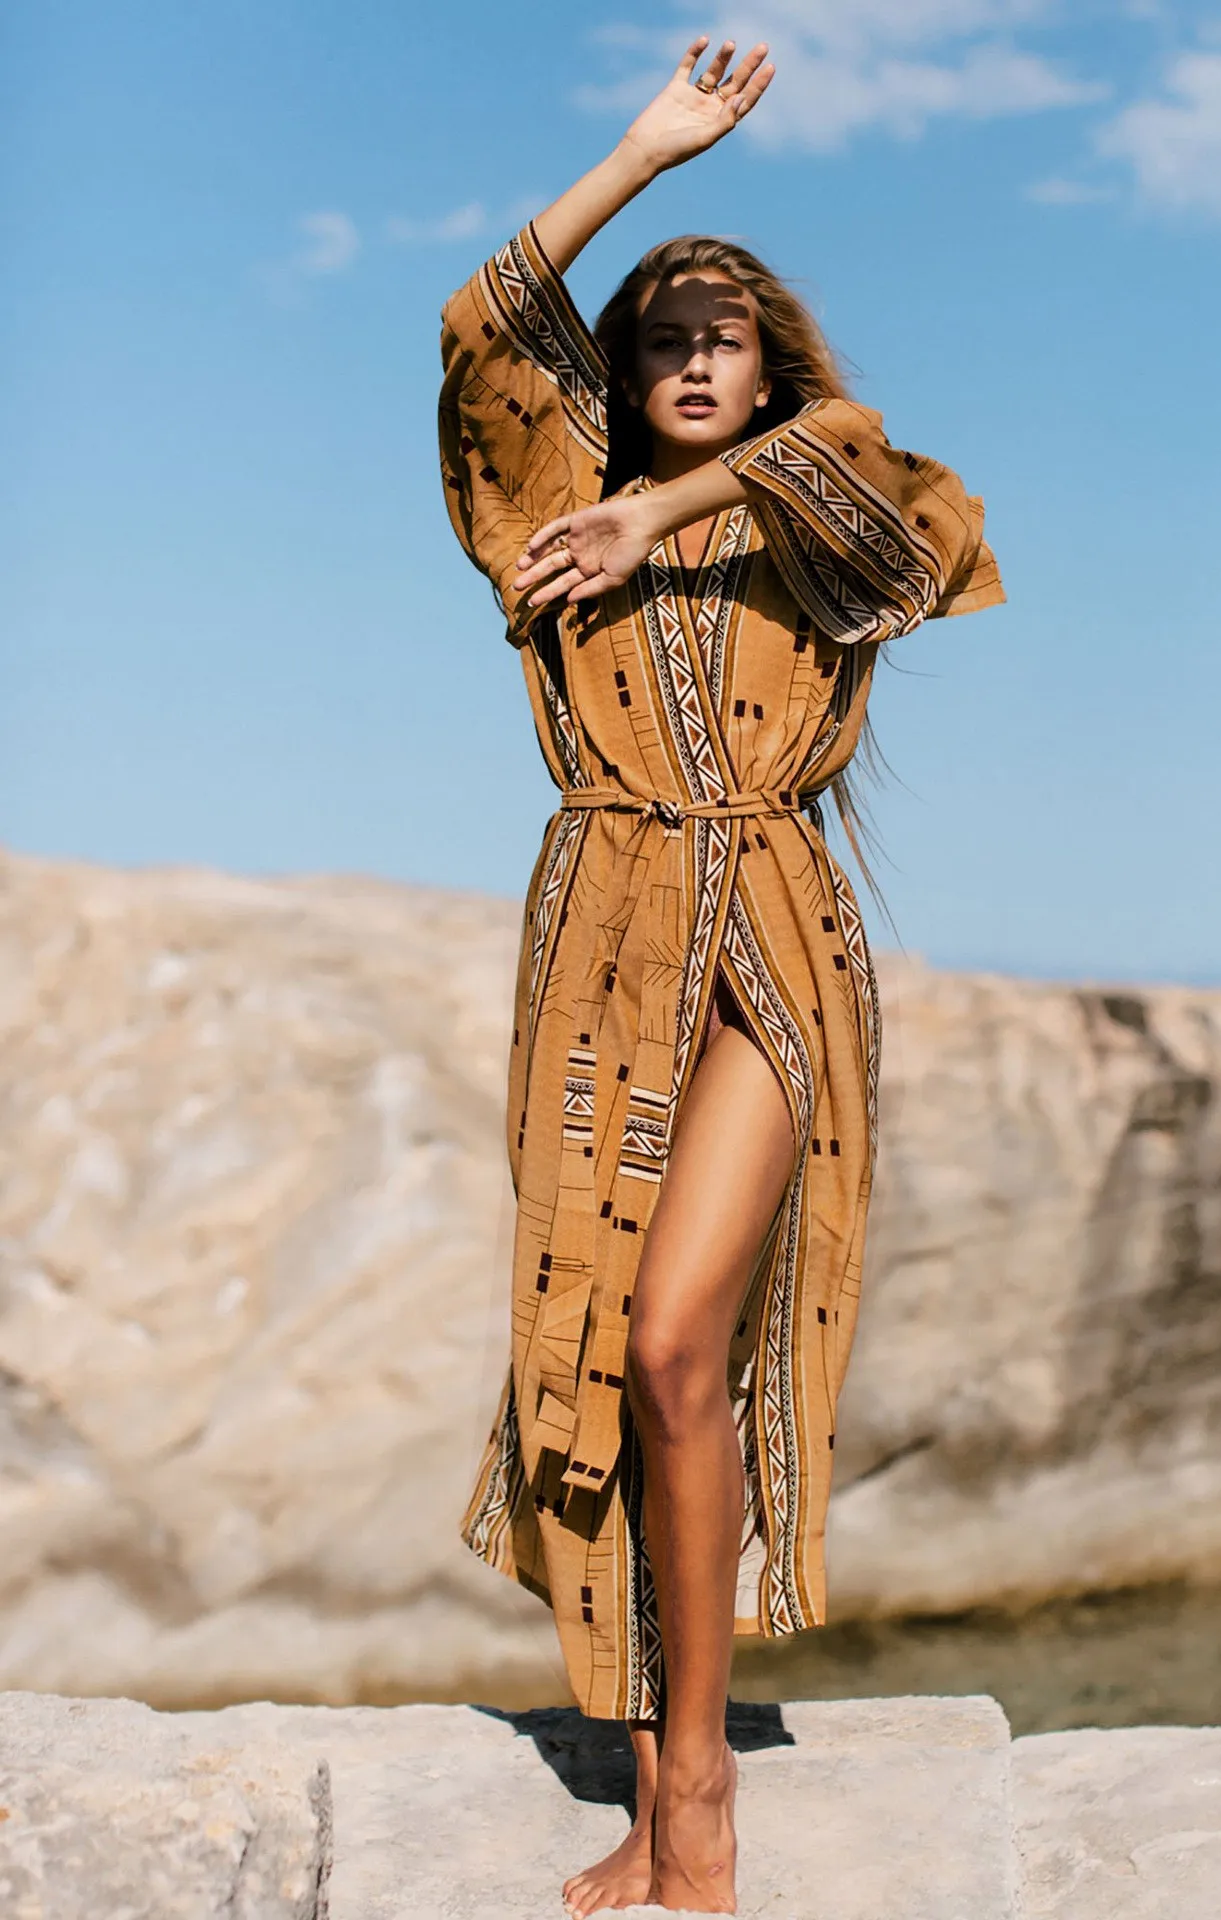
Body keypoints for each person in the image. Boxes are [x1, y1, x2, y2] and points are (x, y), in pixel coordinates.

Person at [437, 33, 1004, 1915]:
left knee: (685, 1339)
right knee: (601, 1350)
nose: (694, 359)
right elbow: (478, 328)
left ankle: (697, 1795)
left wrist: (663, 513)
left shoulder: (821, 517)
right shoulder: (542, 518)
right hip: (604, 940)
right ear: (623, 372)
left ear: (765, 372)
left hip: (771, 928)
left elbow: (869, 477)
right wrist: (642, 157)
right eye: (664, 338)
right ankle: (651, 1761)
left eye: (726, 340)